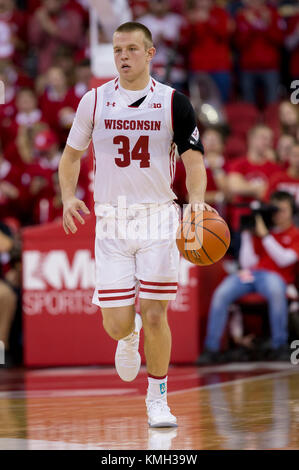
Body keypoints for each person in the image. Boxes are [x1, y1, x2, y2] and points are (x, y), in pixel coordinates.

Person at [58, 21, 215, 428]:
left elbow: (195, 161)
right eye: (117, 50)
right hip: (111, 220)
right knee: (116, 323)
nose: (122, 56)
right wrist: (67, 196)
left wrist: (195, 206)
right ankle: (129, 336)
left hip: (158, 217)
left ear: (149, 53)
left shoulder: (174, 102)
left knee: (157, 312)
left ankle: (158, 397)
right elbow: (71, 156)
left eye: (130, 49)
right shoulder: (93, 101)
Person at [198, 190, 299, 364]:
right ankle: (211, 348)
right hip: (252, 273)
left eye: (283, 210)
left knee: (275, 290)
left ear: (292, 212)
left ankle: (279, 345)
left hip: (277, 277)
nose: (278, 215)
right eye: (275, 210)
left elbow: (284, 260)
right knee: (222, 292)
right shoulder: (263, 231)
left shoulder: (295, 233)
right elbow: (247, 262)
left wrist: (265, 235)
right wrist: (246, 235)